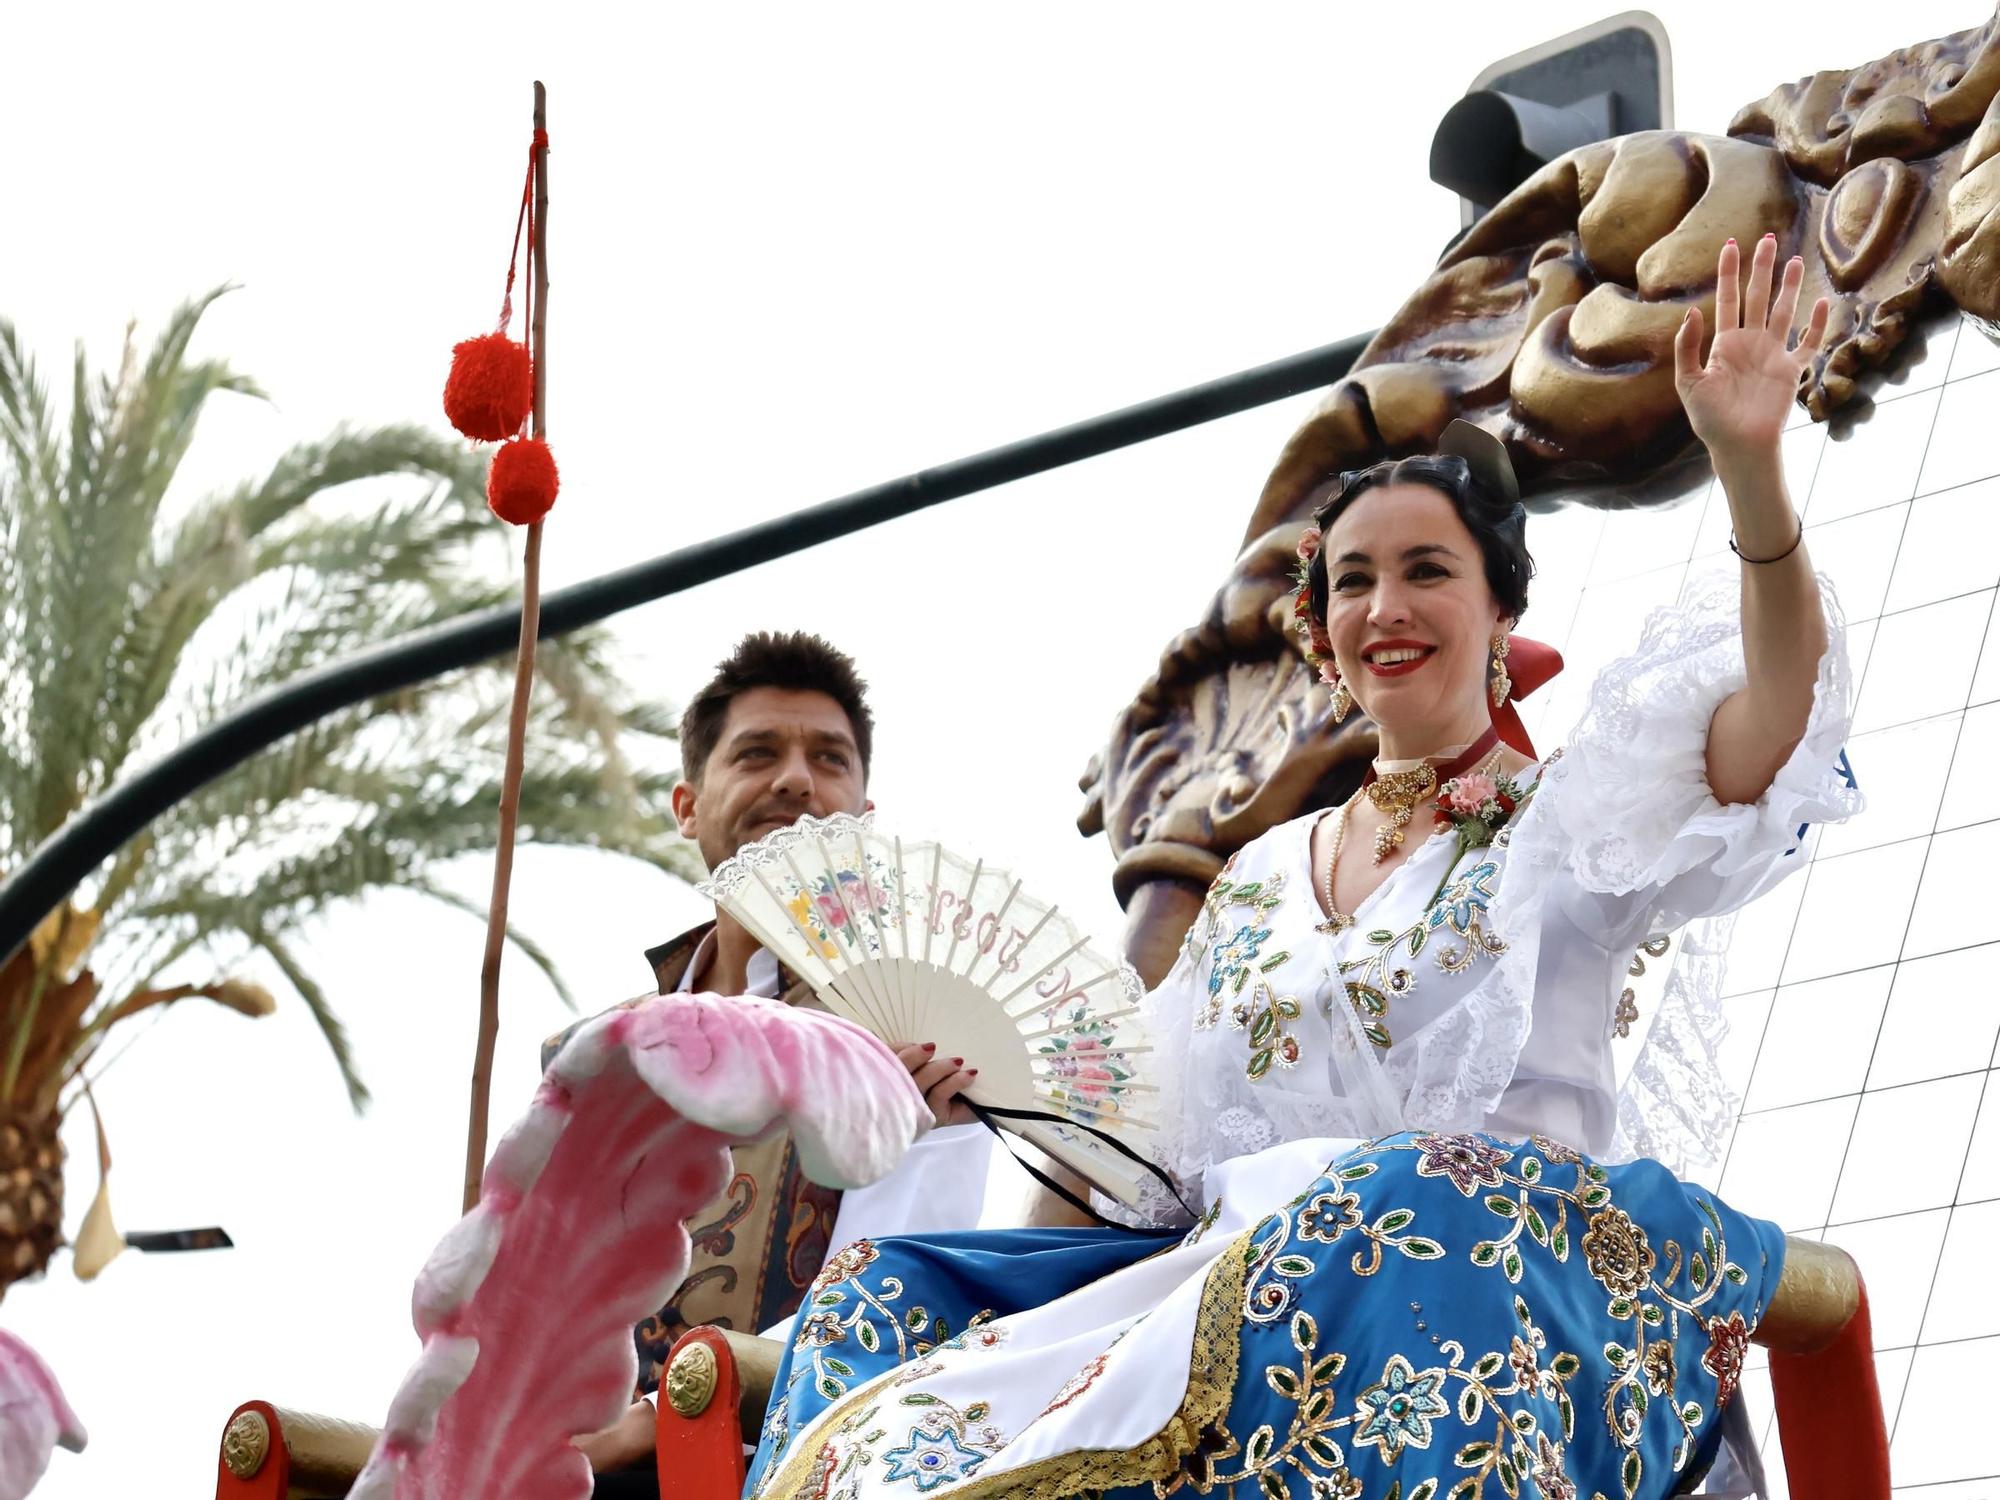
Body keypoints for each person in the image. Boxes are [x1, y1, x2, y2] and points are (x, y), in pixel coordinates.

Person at [742, 236, 1859, 1500]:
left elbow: (1774, 719)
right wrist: (994, 1102)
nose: (1384, 607)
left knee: (1397, 1201)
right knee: (886, 1298)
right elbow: (1137, 1146)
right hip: (1247, 1305)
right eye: (1352, 581)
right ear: (1323, 631)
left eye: (1426, 572)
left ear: (1500, 614)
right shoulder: (1262, 881)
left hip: (1478, 1289)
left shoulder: (1569, 818)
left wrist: (1749, 471)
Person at [555, 632, 994, 1495]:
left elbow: (889, 1302)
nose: (796, 779)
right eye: (758, 753)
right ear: (688, 805)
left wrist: (645, 1426)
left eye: (829, 759)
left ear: (863, 818)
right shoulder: (589, 1053)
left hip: (774, 1462)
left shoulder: (911, 1027)